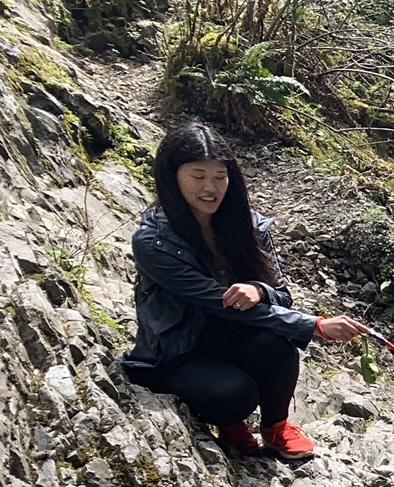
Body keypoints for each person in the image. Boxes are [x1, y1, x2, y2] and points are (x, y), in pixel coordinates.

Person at [123, 120, 370, 463]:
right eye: (198, 176)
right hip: (177, 351)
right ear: (172, 176)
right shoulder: (154, 242)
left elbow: (282, 295)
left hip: (229, 338)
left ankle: (276, 427)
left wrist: (258, 289)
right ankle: (231, 423)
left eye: (219, 176)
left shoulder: (247, 225)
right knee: (234, 396)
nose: (211, 188)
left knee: (279, 348)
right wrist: (314, 325)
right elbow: (217, 302)